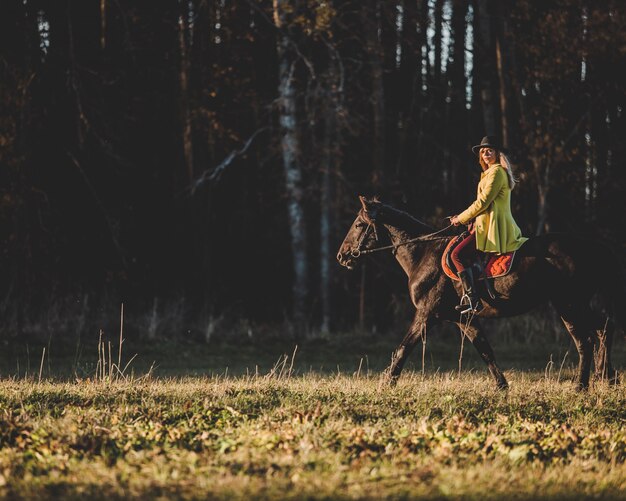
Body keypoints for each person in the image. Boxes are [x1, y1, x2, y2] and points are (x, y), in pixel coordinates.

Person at [449, 136, 528, 314]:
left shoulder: (497, 172)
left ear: (496, 153)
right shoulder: (489, 173)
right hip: (484, 223)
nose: (485, 153)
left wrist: (460, 219)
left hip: (493, 226)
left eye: (489, 150)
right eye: (482, 151)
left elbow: (483, 202)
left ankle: (472, 299)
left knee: (456, 255)